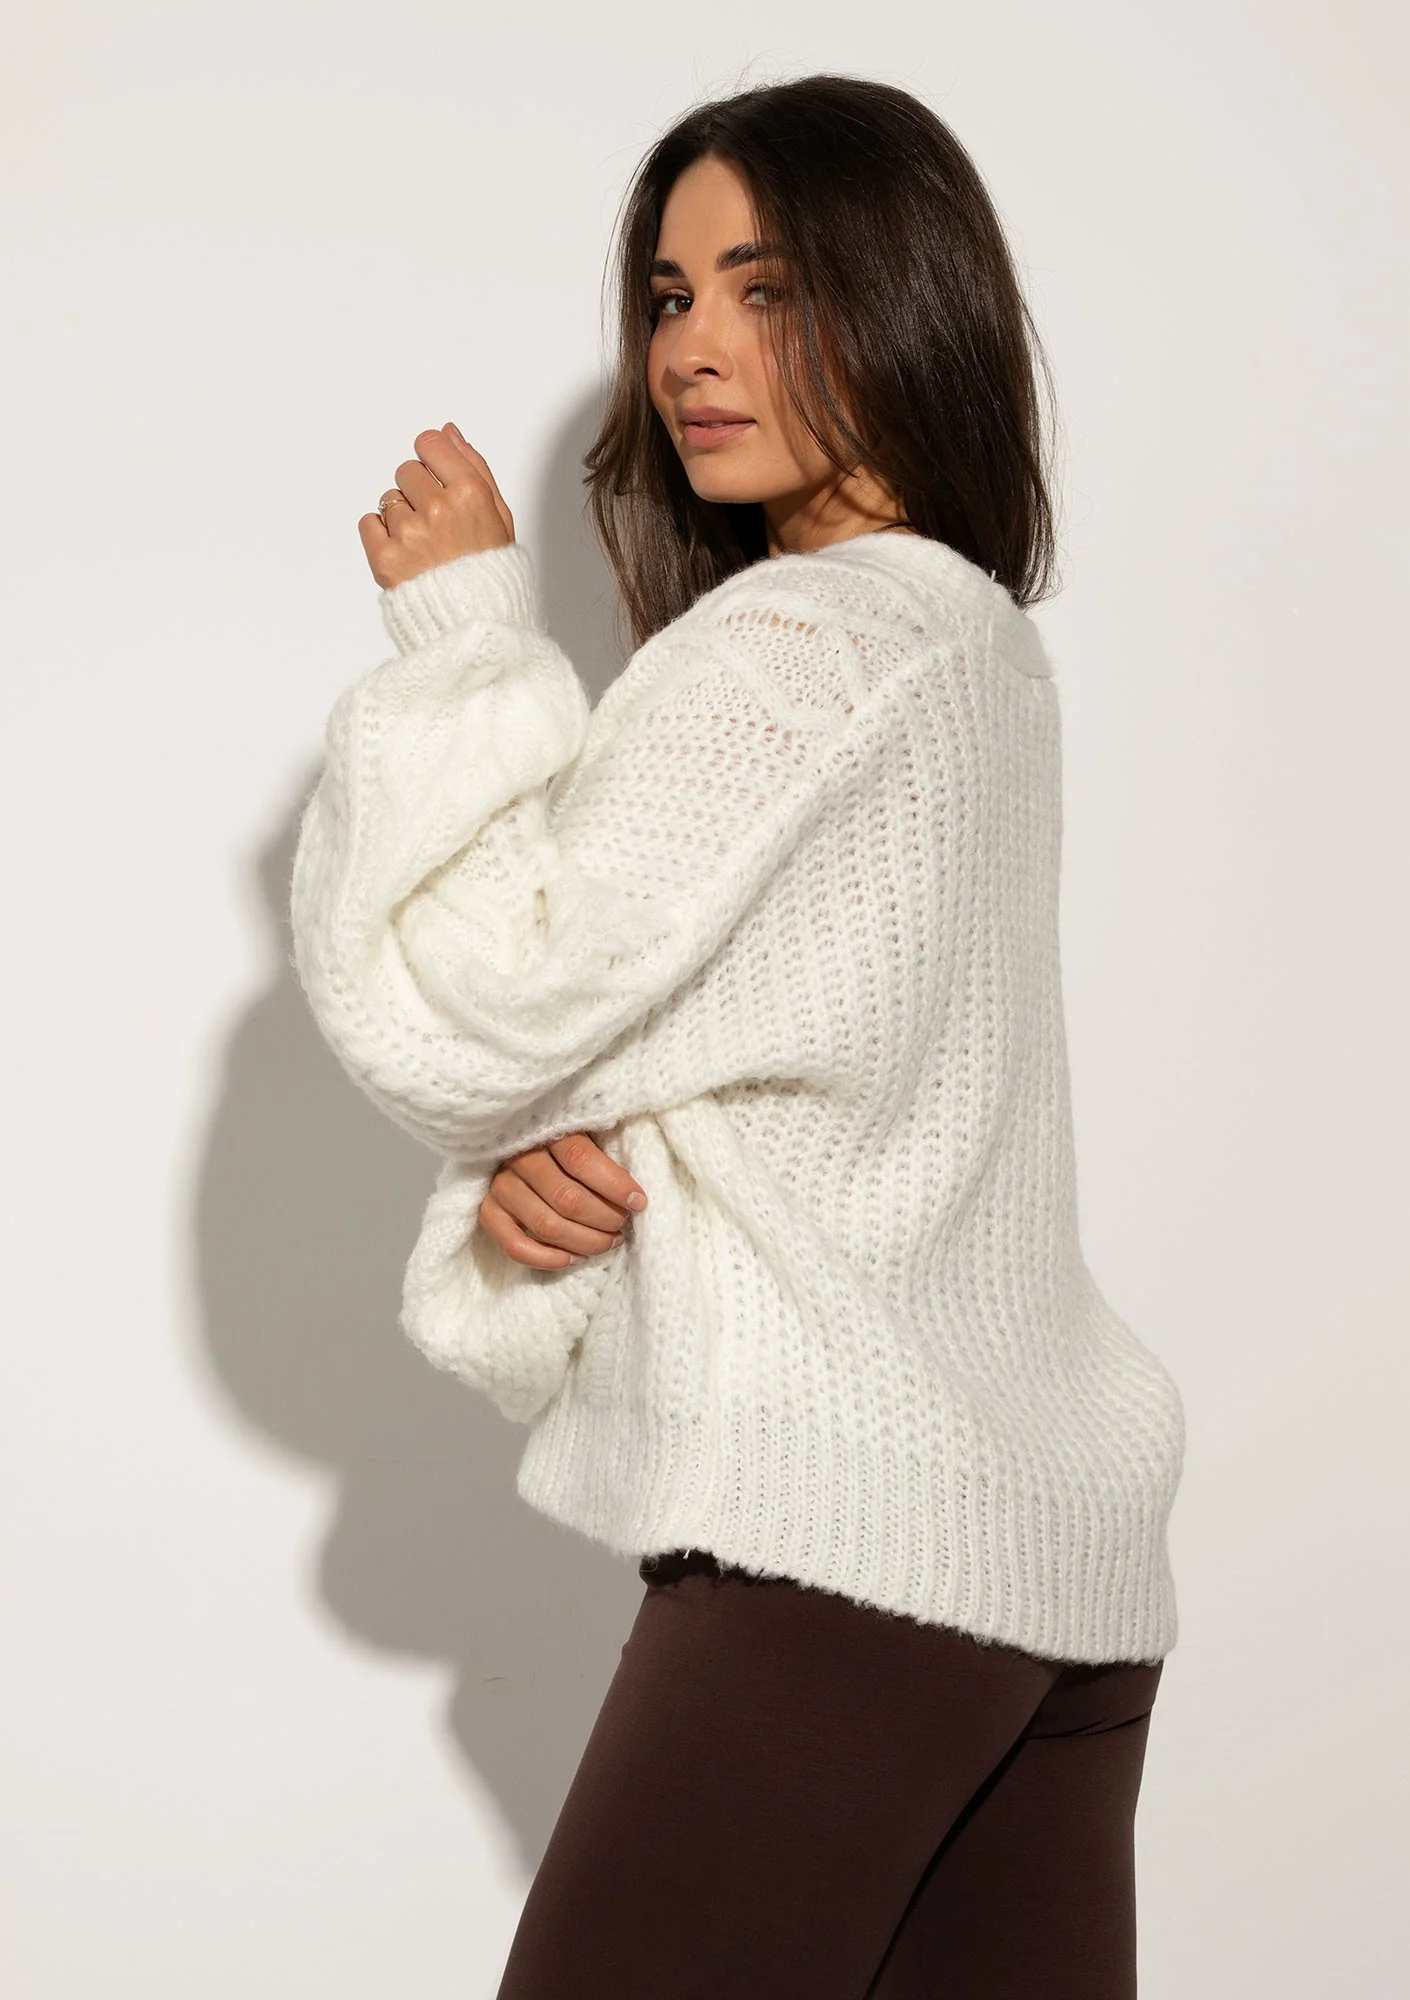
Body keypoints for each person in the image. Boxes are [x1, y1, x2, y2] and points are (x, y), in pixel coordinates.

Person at [289, 72, 1186, 2000]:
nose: (692, 347)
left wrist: (460, 637)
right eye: (670, 295)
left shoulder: (805, 641)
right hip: (1049, 1567)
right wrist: (557, 1151)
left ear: (903, 297)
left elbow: (473, 1012)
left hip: (853, 1550)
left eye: (765, 288)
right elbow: (743, 1043)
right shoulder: (975, 648)